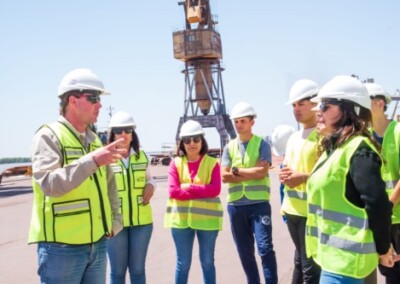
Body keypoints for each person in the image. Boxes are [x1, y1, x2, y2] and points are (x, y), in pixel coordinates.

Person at [28, 68, 125, 284]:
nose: (99, 104)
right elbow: (49, 184)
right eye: (93, 98)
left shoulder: (94, 141)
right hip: (61, 249)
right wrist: (92, 161)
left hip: (98, 243)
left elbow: (109, 185)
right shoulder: (49, 136)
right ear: (72, 100)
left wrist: (115, 221)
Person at [306, 75, 394, 283]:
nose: (319, 112)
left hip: (347, 265)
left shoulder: (360, 150)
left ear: (351, 110)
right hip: (330, 258)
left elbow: (377, 205)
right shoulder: (335, 150)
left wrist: (384, 249)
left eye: (326, 106)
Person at [221, 102, 278, 284]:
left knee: (265, 248)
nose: (238, 125)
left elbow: (262, 172)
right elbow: (224, 176)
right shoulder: (229, 147)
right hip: (236, 206)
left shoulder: (263, 145)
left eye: (243, 121)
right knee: (245, 252)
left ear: (252, 122)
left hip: (258, 204)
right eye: (236, 121)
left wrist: (236, 171)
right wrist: (250, 172)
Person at [165, 120, 222, 284]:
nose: (192, 143)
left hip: (208, 222)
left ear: (202, 140)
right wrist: (201, 190)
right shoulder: (175, 163)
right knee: (183, 264)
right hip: (181, 223)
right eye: (187, 140)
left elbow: (215, 190)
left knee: (207, 262)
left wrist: (189, 187)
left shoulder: (212, 163)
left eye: (196, 138)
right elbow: (173, 191)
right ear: (182, 142)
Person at [278, 79, 321, 284]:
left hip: (311, 213)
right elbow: (287, 167)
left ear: (315, 103)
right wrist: (284, 175)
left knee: (310, 269)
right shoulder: (294, 138)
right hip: (292, 210)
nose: (296, 109)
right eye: (294, 105)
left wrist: (302, 177)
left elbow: (329, 176)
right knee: (300, 262)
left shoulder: (323, 137)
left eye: (301, 104)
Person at [107, 111, 156, 284]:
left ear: (132, 133)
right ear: (112, 133)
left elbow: (150, 179)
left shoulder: (143, 157)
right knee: (117, 272)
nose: (123, 134)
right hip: (115, 224)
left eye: (127, 130)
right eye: (119, 130)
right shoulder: (105, 160)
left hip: (142, 223)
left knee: (137, 270)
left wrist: (151, 186)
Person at [367, 82, 400, 284]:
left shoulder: (397, 132)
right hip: (380, 219)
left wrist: (387, 208)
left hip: (397, 218)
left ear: (380, 104)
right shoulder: (364, 136)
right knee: (388, 272)